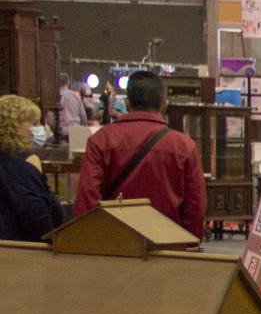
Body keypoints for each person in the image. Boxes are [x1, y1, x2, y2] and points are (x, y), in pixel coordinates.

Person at [73, 70, 203, 236]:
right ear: (164, 104)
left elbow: (87, 199)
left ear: (127, 103)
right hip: (169, 242)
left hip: (115, 242)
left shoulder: (100, 141)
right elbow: (195, 206)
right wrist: (188, 246)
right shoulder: (185, 146)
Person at [0, 94, 61, 242]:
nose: (39, 129)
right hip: (21, 249)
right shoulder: (22, 165)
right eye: (33, 123)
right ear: (14, 127)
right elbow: (39, 216)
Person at [56, 75, 86, 140]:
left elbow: (50, 117)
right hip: (76, 131)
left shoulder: (54, 96)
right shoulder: (76, 96)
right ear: (68, 82)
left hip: (60, 132)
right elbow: (83, 116)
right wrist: (84, 129)